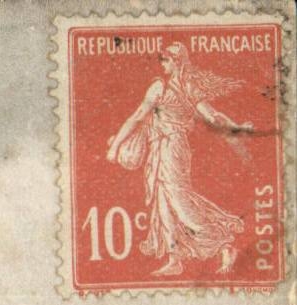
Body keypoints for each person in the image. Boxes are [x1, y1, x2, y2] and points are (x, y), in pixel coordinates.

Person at [105, 41, 253, 278]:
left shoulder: (170, 87)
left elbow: (139, 116)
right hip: (160, 148)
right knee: (162, 202)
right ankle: (175, 259)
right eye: (162, 59)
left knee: (179, 201)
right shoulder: (177, 86)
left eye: (166, 59)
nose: (162, 63)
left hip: (172, 148)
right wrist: (237, 127)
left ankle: (224, 244)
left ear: (177, 61)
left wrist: (115, 146)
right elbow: (211, 116)